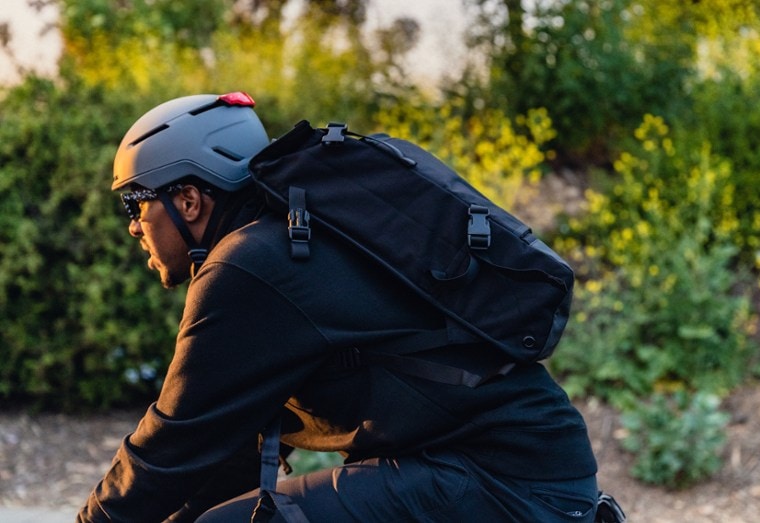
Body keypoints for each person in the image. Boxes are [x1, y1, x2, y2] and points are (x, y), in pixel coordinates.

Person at [78, 92, 600, 522]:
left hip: (502, 481)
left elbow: (171, 448)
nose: (132, 225)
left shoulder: (250, 267)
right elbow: (221, 448)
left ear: (189, 200)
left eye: (135, 201)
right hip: (512, 467)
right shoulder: (287, 242)